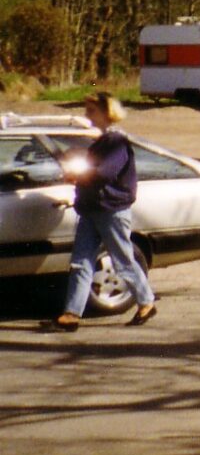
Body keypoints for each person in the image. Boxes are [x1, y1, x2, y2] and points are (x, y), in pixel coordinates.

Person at [50, 91, 157, 331]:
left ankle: (146, 301)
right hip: (91, 208)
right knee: (80, 262)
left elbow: (106, 173)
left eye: (92, 110)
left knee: (122, 260)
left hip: (112, 210)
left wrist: (78, 175)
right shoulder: (102, 141)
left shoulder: (116, 141)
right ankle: (71, 314)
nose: (87, 115)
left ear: (106, 112)